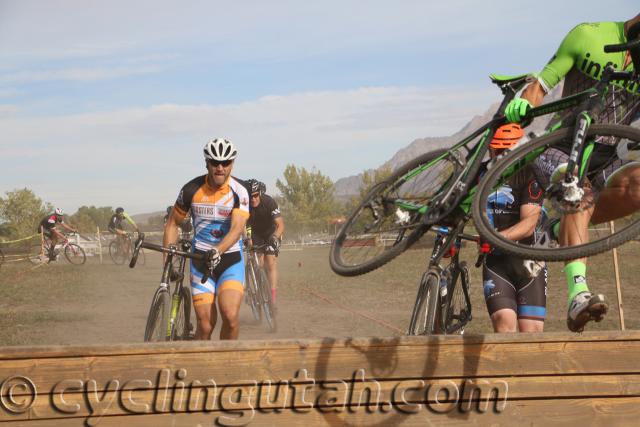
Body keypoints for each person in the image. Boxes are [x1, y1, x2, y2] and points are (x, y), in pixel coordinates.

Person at [503, 14, 640, 332]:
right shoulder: (588, 36)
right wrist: (522, 108)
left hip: (607, 160)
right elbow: (540, 85)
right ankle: (578, 294)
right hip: (560, 148)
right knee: (580, 192)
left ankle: (556, 227)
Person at [165, 137, 250, 340]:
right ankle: (197, 368)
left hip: (229, 260)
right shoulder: (191, 189)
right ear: (207, 163)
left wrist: (217, 250)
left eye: (226, 162)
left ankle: (225, 365)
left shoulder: (240, 191)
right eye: (215, 162)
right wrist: (168, 261)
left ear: (232, 164)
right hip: (200, 260)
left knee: (230, 317)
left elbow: (237, 229)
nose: (220, 167)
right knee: (205, 325)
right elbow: (172, 225)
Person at [482, 124, 547, 333]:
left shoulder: (531, 172)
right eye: (497, 151)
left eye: (506, 151)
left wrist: (495, 237)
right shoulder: (481, 174)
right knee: (503, 321)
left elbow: (529, 224)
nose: (500, 156)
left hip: (530, 260)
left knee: (532, 331)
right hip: (497, 262)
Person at [246, 179, 285, 307]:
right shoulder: (244, 205)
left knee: (271, 261)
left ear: (260, 193)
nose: (253, 199)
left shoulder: (269, 202)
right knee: (259, 262)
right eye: (250, 196)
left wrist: (275, 237)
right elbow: (243, 225)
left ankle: (272, 299)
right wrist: (247, 238)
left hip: (270, 233)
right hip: (256, 234)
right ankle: (258, 287)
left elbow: (280, 225)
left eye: (256, 195)